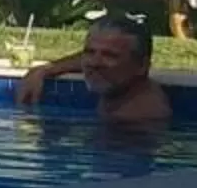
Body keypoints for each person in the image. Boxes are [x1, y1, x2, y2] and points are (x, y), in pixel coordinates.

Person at [16, 14, 173, 124]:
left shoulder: (136, 116)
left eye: (109, 56)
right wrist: (44, 70)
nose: (94, 63)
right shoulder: (119, 83)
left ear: (142, 66)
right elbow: (86, 60)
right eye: (90, 52)